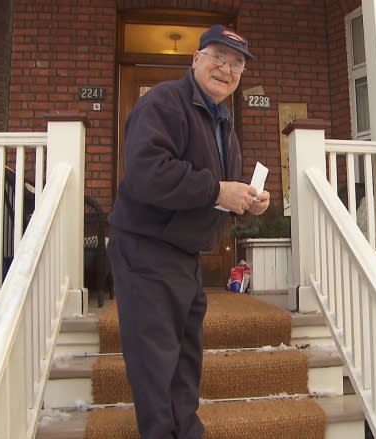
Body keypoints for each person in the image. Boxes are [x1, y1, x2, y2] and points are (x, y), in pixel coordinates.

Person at [106, 25, 270, 438]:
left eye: (236, 64)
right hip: (146, 247)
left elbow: (217, 190)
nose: (226, 68)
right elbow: (146, 173)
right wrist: (218, 189)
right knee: (155, 359)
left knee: (186, 356)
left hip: (185, 254)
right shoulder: (164, 102)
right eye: (218, 56)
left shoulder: (223, 122)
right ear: (195, 59)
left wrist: (246, 200)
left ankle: (187, 430)